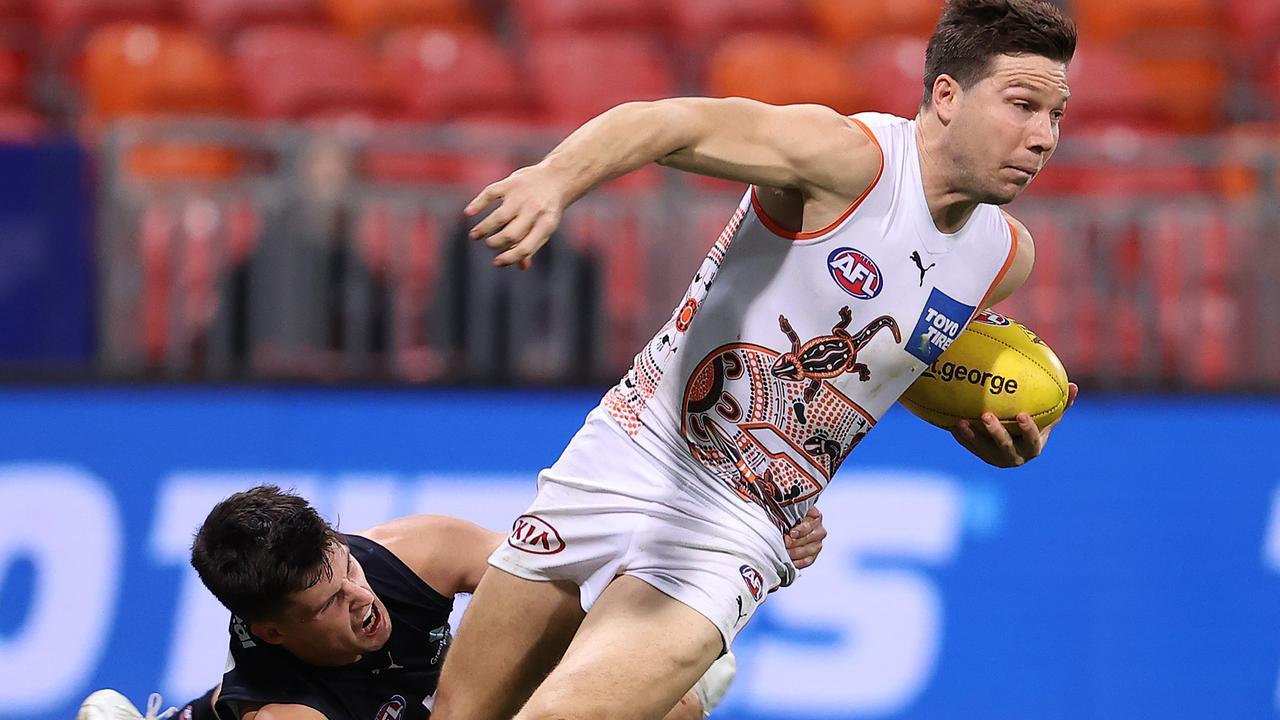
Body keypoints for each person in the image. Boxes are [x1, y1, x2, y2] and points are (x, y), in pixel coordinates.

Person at [431, 1, 1081, 719]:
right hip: (624, 449)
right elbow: (666, 122)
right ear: (947, 96)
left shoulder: (1005, 257)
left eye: (1055, 115)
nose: (1042, 137)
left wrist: (992, 434)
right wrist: (555, 179)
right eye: (1022, 105)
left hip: (736, 528)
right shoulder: (846, 159)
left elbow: (891, 364)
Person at [77, 485, 827, 720]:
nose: (360, 600)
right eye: (328, 602)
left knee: (668, 701)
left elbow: (573, 580)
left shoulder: (414, 552)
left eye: (345, 567)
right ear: (272, 630)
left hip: (419, 697)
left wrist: (741, 551)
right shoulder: (287, 712)